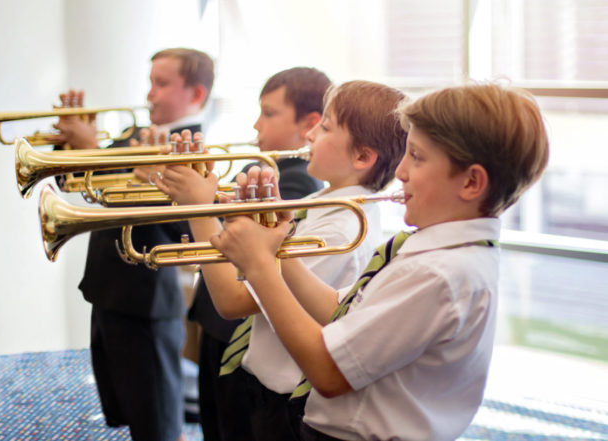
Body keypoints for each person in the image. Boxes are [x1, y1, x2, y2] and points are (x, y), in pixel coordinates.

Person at [209, 83, 550, 441]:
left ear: (471, 182)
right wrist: (282, 243)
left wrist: (261, 267)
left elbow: (327, 372)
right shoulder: (433, 249)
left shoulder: (438, 273)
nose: (400, 171)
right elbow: (338, 311)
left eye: (416, 157)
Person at [157, 80, 408, 441]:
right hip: (265, 384)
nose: (309, 135)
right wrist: (238, 218)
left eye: (325, 128)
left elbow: (232, 300)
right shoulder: (324, 204)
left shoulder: (342, 227)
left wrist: (200, 209)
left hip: (285, 401)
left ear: (362, 157)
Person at [53, 48, 215, 441]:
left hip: (146, 301)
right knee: (127, 406)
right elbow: (78, 185)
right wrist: (70, 143)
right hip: (106, 288)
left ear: (195, 95)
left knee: (157, 418)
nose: (150, 94)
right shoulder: (134, 135)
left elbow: (185, 230)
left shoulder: (192, 149)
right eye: (150, 83)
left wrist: (94, 151)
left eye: (161, 84)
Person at [177, 67, 331, 441]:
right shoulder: (258, 169)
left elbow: (244, 275)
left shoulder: (293, 184)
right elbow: (218, 239)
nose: (256, 124)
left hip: (241, 339)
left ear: (308, 123)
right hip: (216, 325)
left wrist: (201, 210)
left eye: (269, 113)